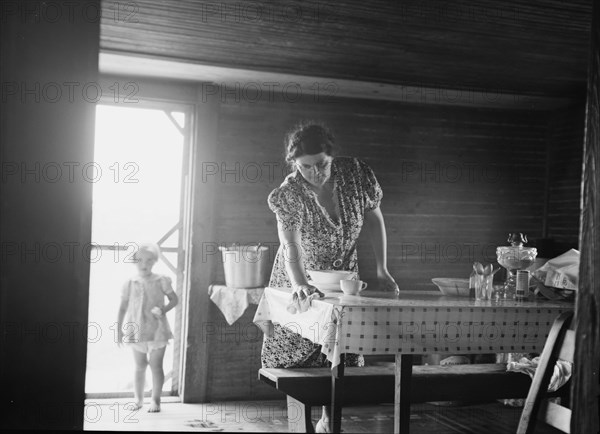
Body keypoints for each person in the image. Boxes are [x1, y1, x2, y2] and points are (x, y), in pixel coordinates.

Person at [262, 121, 398, 432]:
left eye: (322, 164)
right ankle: (300, 425)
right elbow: (290, 243)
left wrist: (381, 268)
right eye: (306, 166)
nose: (315, 172)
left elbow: (374, 217)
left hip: (341, 273)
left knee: (338, 348)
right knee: (296, 353)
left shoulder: (355, 174)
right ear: (295, 163)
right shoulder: (289, 194)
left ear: (332, 156)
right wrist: (300, 284)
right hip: (298, 275)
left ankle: (328, 421)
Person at [117, 242, 179, 412]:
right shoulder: (130, 283)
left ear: (155, 261)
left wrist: (163, 309)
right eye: (140, 260)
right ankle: (138, 400)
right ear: (133, 261)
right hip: (136, 331)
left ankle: (156, 400)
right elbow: (122, 307)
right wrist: (118, 330)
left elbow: (174, 299)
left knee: (156, 366)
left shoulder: (161, 280)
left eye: (149, 260)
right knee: (139, 366)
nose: (144, 264)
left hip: (157, 330)